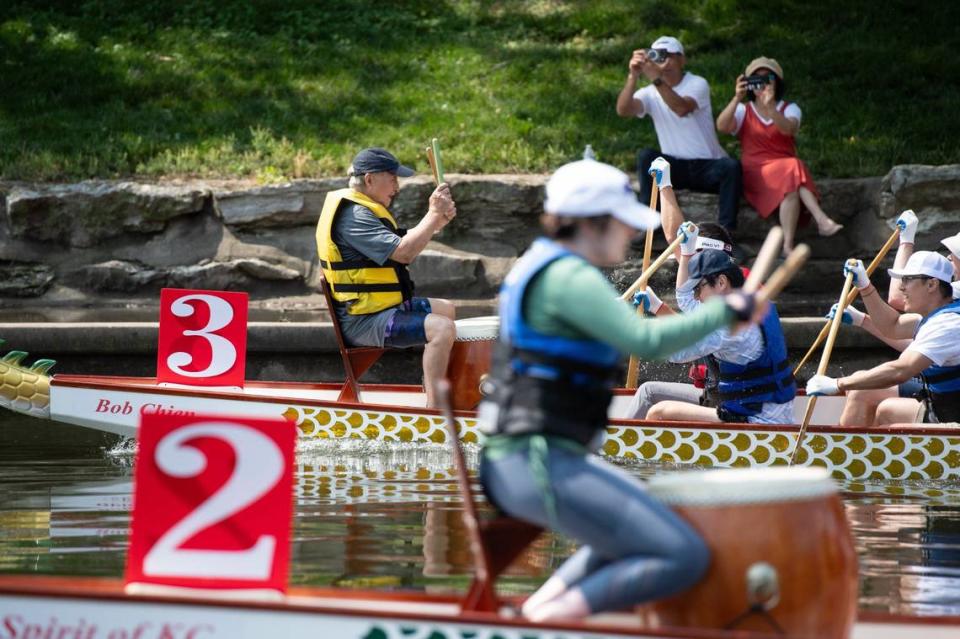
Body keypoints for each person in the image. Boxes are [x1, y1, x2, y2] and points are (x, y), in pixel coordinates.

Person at [478, 158, 766, 621]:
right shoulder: (567, 276)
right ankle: (544, 624)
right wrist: (726, 311)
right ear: (592, 223)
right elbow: (645, 340)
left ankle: (537, 613)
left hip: (534, 458)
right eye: (623, 224)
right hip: (537, 461)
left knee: (638, 536)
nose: (631, 235)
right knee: (686, 555)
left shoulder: (544, 266)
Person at [316, 147, 458, 407]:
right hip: (363, 321)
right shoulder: (355, 216)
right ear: (369, 179)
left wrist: (436, 222)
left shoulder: (365, 210)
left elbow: (403, 241)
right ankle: (435, 412)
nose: (397, 186)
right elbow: (403, 253)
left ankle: (437, 388)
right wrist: (433, 214)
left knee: (447, 310)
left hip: (381, 308)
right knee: (441, 329)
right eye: (392, 178)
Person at [632, 241, 796, 424]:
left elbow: (675, 352)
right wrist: (657, 305)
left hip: (755, 420)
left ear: (721, 282)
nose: (696, 297)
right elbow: (687, 301)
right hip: (768, 412)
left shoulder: (724, 326)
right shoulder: (756, 303)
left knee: (659, 412)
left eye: (698, 288)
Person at [807, 251, 960, 425]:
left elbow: (901, 370)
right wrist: (864, 287)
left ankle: (850, 451)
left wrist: (838, 384)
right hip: (943, 410)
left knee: (891, 432)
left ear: (932, 284)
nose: (902, 287)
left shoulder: (947, 325)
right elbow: (892, 326)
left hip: (954, 423)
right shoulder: (938, 313)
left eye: (908, 280)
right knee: (886, 411)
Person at [716, 57, 842, 255]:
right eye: (755, 79)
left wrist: (771, 108)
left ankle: (787, 245)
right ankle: (821, 219)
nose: (761, 83)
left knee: (791, 182)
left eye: (767, 78)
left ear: (776, 82)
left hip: (785, 170)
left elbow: (788, 129)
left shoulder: (789, 108)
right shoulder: (744, 110)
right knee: (794, 167)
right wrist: (737, 97)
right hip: (756, 170)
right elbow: (722, 126)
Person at [616, 35, 741, 233]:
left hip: (707, 166)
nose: (663, 62)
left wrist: (656, 78)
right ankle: (651, 227)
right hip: (676, 168)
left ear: (682, 59)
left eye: (669, 56)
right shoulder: (650, 91)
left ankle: (727, 234)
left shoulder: (697, 83)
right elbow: (623, 110)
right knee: (647, 157)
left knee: (731, 167)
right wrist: (633, 76)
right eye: (657, 56)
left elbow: (682, 108)